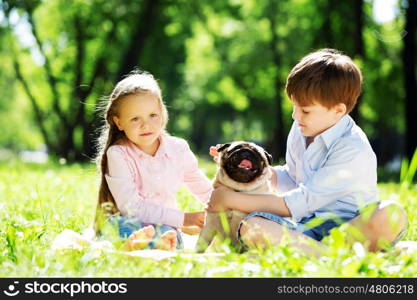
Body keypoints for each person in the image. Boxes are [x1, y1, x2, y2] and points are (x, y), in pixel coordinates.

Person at [207, 49, 407, 256]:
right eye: (294, 106)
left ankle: (322, 253)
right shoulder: (300, 129)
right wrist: (253, 168)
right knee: (250, 226)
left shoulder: (352, 148)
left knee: (391, 214)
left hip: (352, 226)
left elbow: (299, 202)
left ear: (338, 110)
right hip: (305, 230)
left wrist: (230, 199)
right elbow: (293, 178)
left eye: (305, 110)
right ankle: (330, 254)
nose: (295, 115)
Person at [93, 71, 212, 251]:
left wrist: (227, 208)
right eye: (135, 119)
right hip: (128, 223)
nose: (146, 125)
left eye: (152, 115)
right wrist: (184, 218)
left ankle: (149, 244)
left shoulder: (178, 149)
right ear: (119, 123)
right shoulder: (118, 154)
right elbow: (132, 208)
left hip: (165, 227)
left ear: (162, 113)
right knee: (115, 227)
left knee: (167, 233)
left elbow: (204, 189)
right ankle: (138, 242)